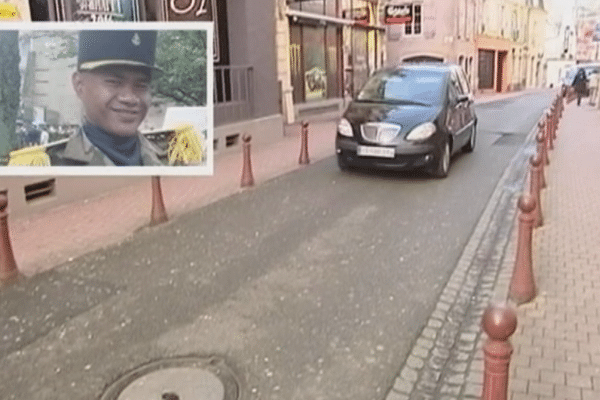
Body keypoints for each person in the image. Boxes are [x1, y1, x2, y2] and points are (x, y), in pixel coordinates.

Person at [54, 30, 165, 166]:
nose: (130, 98)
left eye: (141, 85)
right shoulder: (48, 166)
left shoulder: (177, 158)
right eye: (114, 82)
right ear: (79, 85)